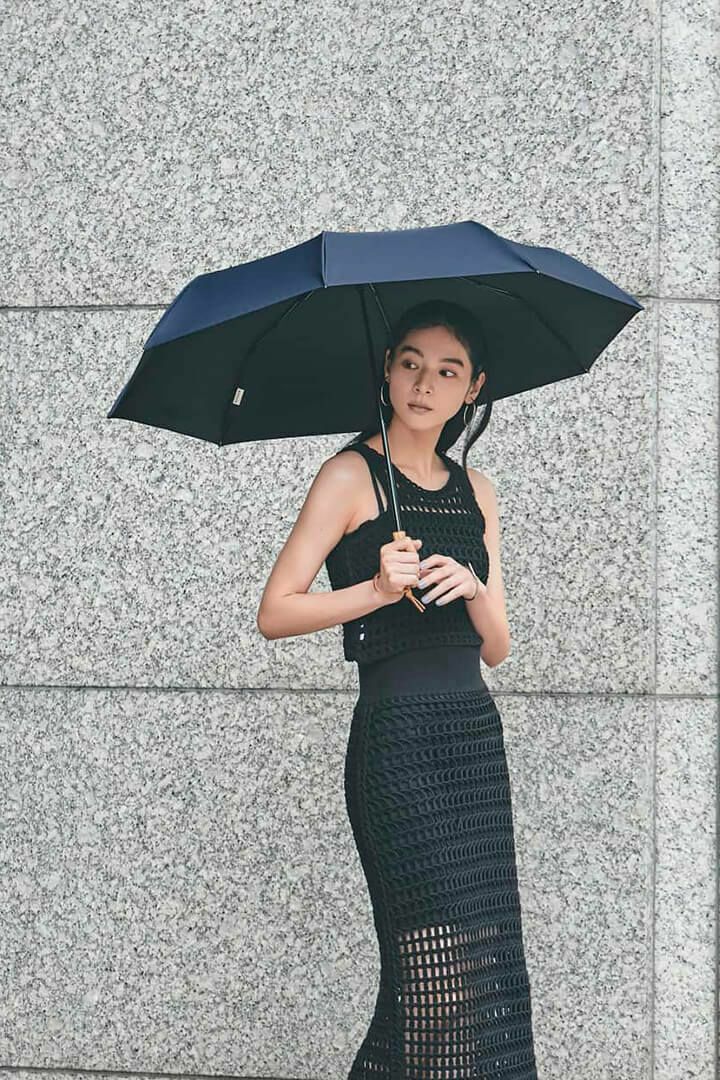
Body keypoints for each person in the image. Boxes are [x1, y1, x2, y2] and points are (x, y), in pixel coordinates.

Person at [256, 299, 538, 1078]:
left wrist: (472, 585)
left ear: (472, 388)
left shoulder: (477, 490)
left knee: (478, 969)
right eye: (410, 363)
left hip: (471, 743)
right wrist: (376, 590)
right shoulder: (349, 475)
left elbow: (497, 647)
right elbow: (276, 612)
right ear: (386, 370)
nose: (424, 383)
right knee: (430, 975)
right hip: (398, 745)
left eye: (447, 371)